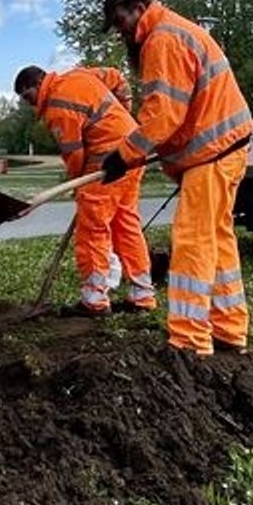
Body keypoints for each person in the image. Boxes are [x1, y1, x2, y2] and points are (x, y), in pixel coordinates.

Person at [96, 0, 253, 359]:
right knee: (217, 239)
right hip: (223, 149)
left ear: (138, 9)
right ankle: (229, 329)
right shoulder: (172, 31)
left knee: (194, 241)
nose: (121, 32)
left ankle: (188, 340)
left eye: (121, 22)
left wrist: (125, 153)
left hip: (212, 154)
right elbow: (174, 113)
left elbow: (163, 115)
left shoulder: (161, 40)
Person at [14, 64, 156, 316]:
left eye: (28, 97)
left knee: (92, 229)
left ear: (37, 84)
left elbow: (74, 153)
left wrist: (78, 182)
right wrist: (124, 115)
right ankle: (142, 295)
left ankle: (94, 300)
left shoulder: (57, 107)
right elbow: (116, 77)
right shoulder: (79, 75)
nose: (30, 104)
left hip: (105, 161)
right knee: (126, 225)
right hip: (133, 150)